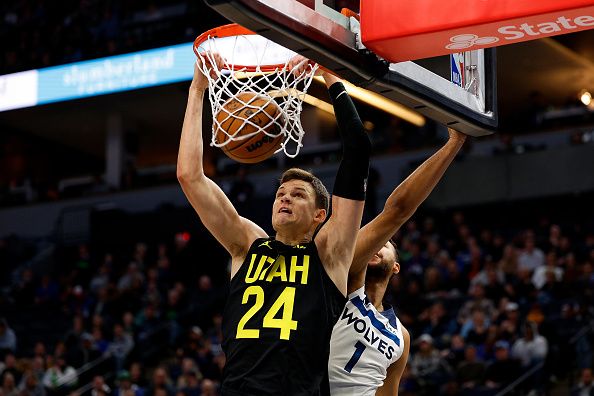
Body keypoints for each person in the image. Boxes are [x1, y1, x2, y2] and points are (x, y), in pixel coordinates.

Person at [177, 53, 371, 395]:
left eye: (297, 195)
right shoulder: (248, 243)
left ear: (319, 216)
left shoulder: (330, 254)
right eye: (281, 193)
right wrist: (197, 89)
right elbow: (189, 176)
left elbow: (357, 150)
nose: (284, 198)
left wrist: (328, 73)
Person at [328, 127, 467, 395]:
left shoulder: (400, 336)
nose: (377, 245)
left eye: (387, 244)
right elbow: (397, 211)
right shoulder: (343, 285)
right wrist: (454, 142)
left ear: (396, 266)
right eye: (374, 243)